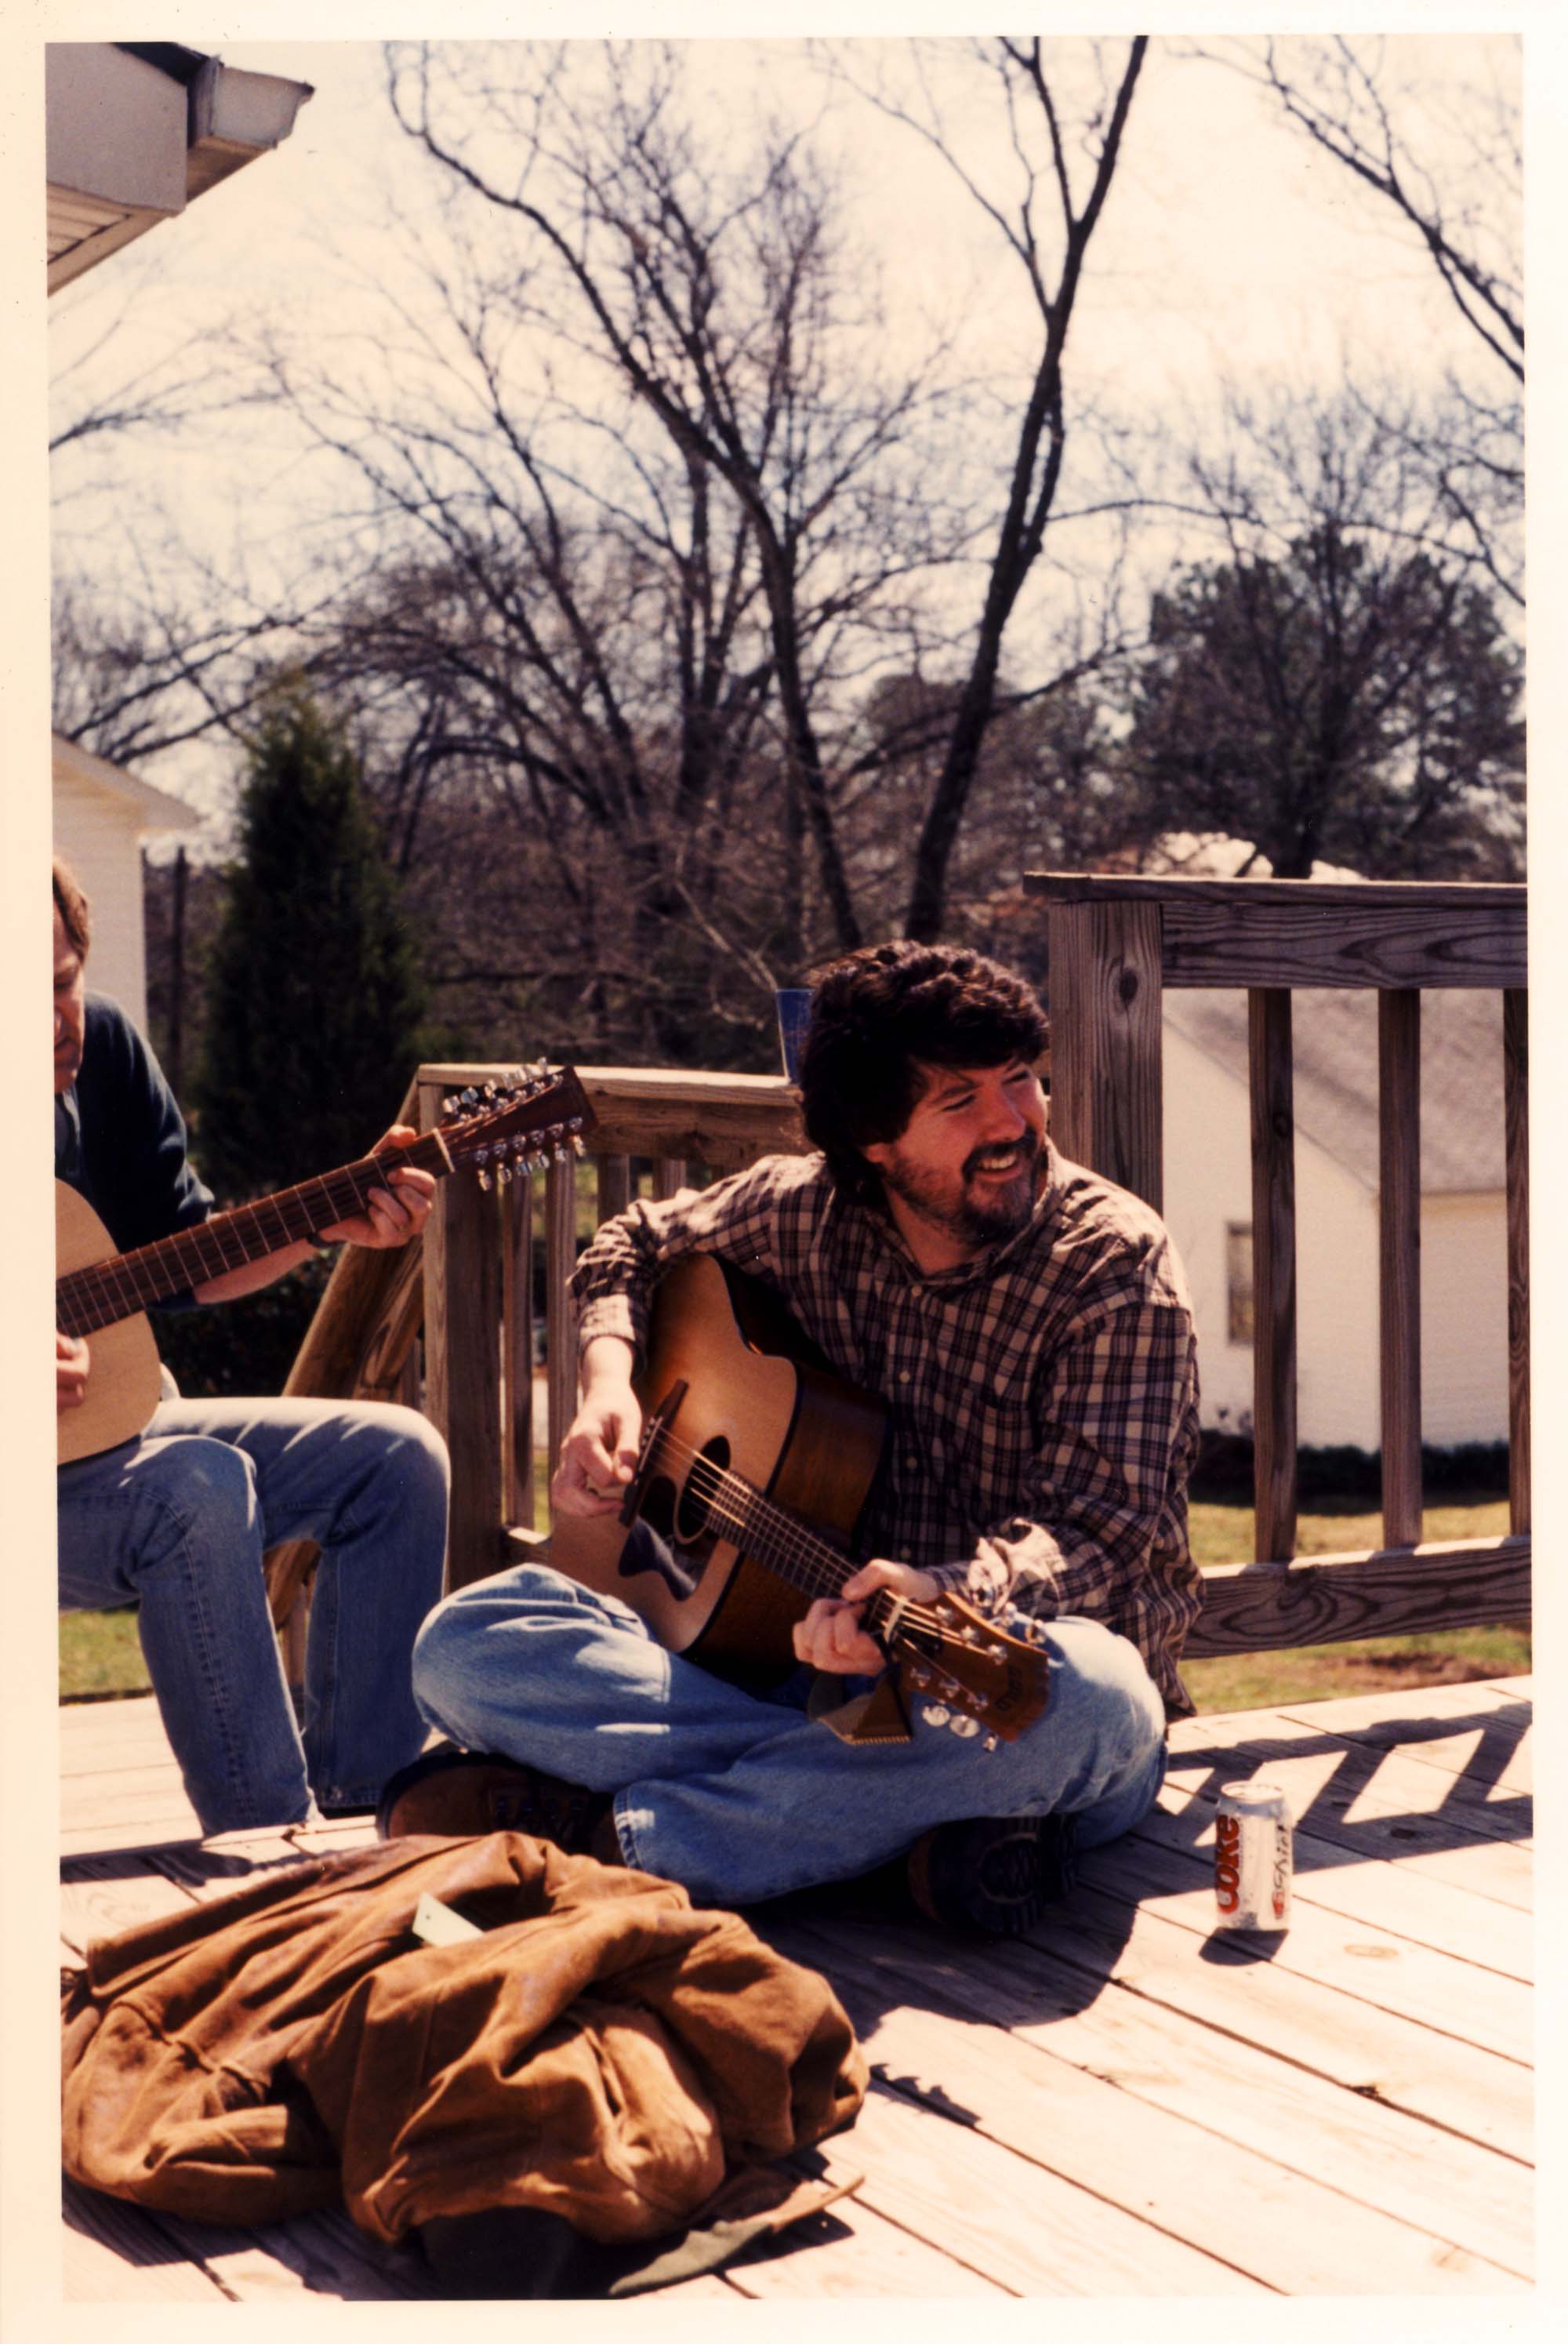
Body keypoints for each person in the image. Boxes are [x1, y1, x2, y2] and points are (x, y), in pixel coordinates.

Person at [391, 941, 1201, 1932]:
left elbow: (1102, 1540)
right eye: (959, 1101)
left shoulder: (1111, 1263)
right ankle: (862, 1828)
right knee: (464, 1642)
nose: (1011, 1124)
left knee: (1094, 1698)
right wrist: (608, 1381)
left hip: (990, 1693)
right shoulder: (801, 1209)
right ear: (870, 1141)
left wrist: (945, 1589)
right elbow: (630, 1244)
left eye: (1020, 1081)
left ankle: (618, 1846)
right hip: (795, 1680)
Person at [53, 858, 450, 1833]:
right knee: (194, 1485)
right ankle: (270, 1850)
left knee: (397, 1461)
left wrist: (327, 1222)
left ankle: (370, 1816)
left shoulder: (98, 1051)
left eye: (61, 981)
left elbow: (182, 1255)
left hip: (98, 1447)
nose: (56, 1020)